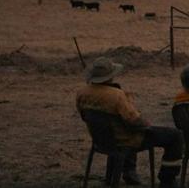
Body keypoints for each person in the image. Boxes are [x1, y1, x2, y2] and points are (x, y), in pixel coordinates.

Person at [76, 57, 183, 187]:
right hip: (123, 140)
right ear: (111, 76)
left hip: (101, 139)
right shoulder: (117, 95)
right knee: (175, 136)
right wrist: (146, 124)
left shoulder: (81, 93)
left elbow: (84, 116)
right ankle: (168, 179)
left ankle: (128, 171)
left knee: (123, 127)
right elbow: (134, 120)